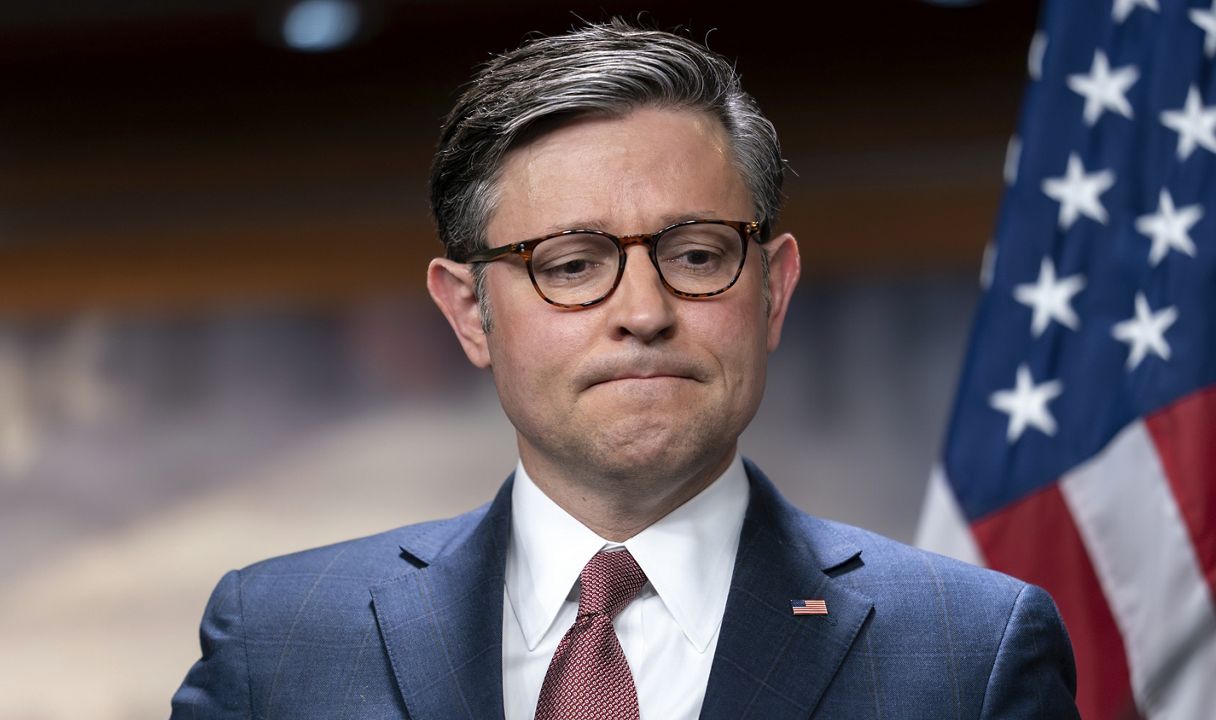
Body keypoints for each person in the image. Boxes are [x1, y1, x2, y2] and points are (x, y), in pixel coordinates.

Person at [171, 19, 1079, 719]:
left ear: (773, 290)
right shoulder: (280, 641)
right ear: (467, 312)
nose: (644, 313)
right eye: (570, 265)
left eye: (695, 254)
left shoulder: (972, 653)